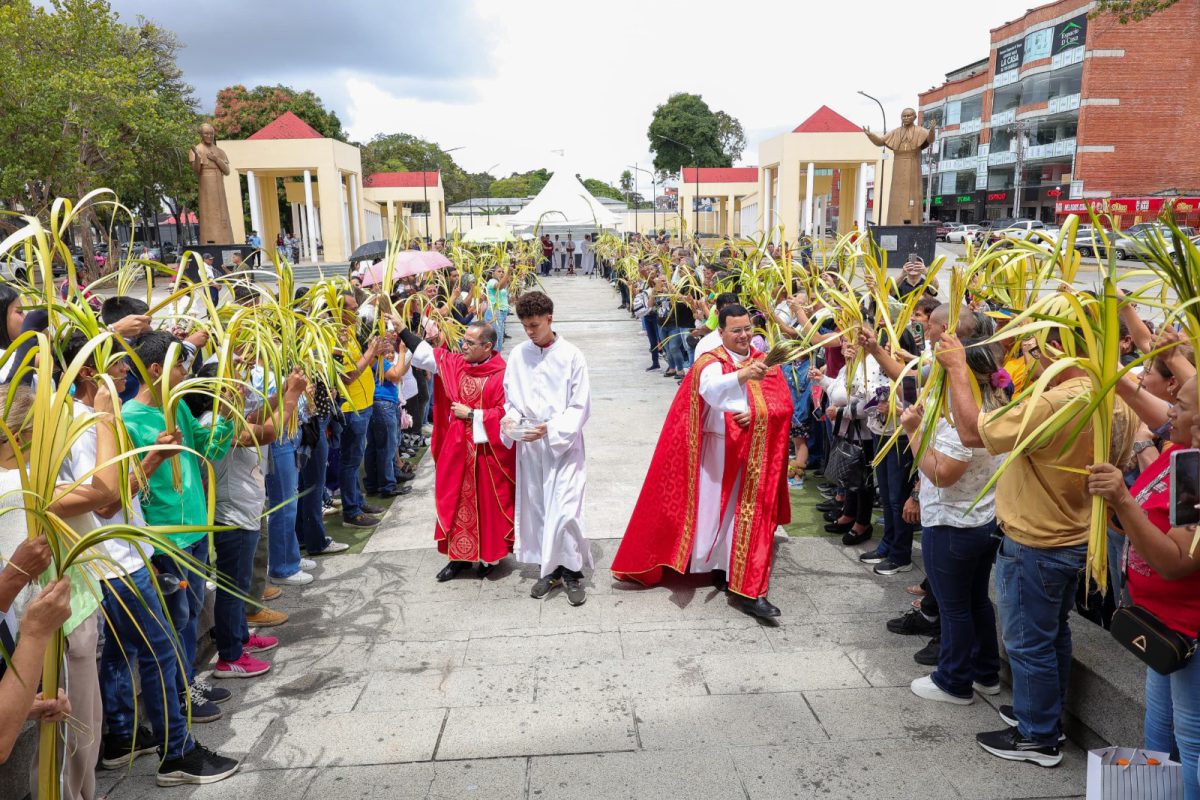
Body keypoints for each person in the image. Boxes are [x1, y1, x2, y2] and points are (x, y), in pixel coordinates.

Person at [937, 328, 1136, 767]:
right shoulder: (1117, 397)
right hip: (1078, 535)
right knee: (1052, 635)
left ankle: (1038, 737)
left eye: (1033, 348)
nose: (1031, 358)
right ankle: (1041, 715)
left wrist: (955, 367)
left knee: (1029, 642)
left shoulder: (1058, 400)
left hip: (1038, 540)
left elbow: (972, 432)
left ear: (1058, 349)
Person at [611, 304, 793, 620]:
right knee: (714, 518)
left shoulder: (764, 362)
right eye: (736, 330)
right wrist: (742, 375)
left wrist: (759, 413)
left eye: (747, 329)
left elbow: (783, 405)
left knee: (745, 520)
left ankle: (748, 588)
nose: (743, 335)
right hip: (716, 454)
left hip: (751, 457)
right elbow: (708, 390)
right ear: (720, 332)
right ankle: (719, 568)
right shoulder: (711, 361)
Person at [1089, 375, 1200, 799]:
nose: (1169, 406)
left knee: (1191, 741)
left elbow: (1176, 563)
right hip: (1158, 622)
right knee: (1159, 722)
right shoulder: (1180, 450)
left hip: (1188, 631)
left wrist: (1121, 499)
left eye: (1181, 404)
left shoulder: (1196, 474)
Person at [894, 310, 1007, 707]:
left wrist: (913, 431)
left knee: (954, 605)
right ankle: (985, 672)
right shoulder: (988, 391)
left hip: (955, 519)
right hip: (976, 518)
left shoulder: (966, 405)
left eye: (936, 333)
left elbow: (943, 473)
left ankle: (954, 680)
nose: (930, 337)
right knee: (975, 599)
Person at [122, 331, 236, 723]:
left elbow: (208, 448)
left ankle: (187, 684)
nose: (187, 372)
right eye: (180, 365)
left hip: (196, 529)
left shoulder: (179, 409)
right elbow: (124, 487)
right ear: (156, 369)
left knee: (187, 614)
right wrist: (156, 455)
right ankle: (178, 695)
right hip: (164, 535)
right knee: (173, 620)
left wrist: (227, 416)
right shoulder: (128, 420)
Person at [400, 318, 516, 580]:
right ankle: (459, 558)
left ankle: (489, 557)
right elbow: (426, 355)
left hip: (486, 453)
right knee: (454, 500)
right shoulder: (455, 365)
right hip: (457, 451)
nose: (462, 345)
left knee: (486, 504)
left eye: (469, 342)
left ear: (487, 347)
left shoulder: (503, 375)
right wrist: (400, 328)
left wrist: (474, 414)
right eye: (463, 340)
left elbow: (507, 414)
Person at [500, 292, 592, 605]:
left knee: (565, 511)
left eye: (535, 325)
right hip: (530, 447)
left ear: (549, 318)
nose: (529, 331)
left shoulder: (572, 356)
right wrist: (511, 420)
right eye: (525, 326)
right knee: (538, 510)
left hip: (562, 445)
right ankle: (549, 570)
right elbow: (511, 399)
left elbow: (580, 405)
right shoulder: (518, 355)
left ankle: (571, 572)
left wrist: (551, 429)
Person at [336, 291, 386, 529]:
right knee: (350, 461)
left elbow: (364, 365)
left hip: (363, 404)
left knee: (354, 461)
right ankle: (351, 511)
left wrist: (377, 354)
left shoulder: (349, 332)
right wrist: (370, 353)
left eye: (357, 307)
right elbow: (347, 376)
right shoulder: (335, 337)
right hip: (350, 407)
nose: (355, 312)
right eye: (350, 308)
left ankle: (357, 500)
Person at [363, 337, 409, 499]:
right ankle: (387, 485)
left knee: (376, 447)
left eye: (391, 351)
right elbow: (396, 376)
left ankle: (373, 484)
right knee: (386, 447)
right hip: (382, 405)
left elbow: (400, 372)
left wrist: (408, 354)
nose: (390, 354)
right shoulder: (376, 360)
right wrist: (402, 353)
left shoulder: (375, 359)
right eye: (386, 349)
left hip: (379, 404)